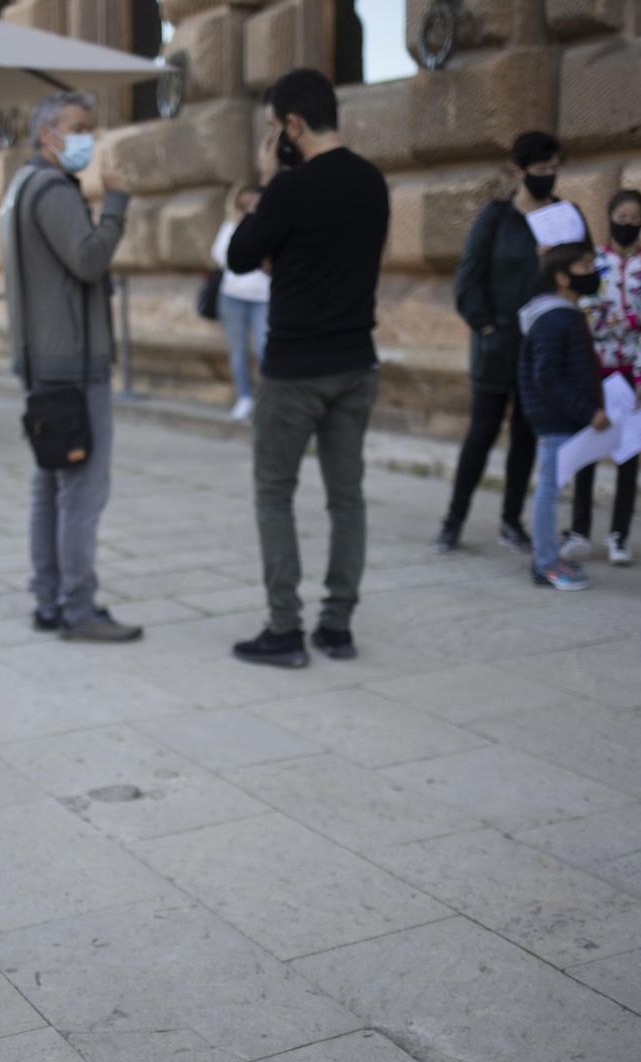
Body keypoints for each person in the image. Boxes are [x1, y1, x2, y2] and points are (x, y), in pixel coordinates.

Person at [224, 68, 389, 668]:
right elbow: (336, 259)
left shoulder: (290, 187)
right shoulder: (373, 181)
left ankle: (285, 630)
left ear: (293, 124)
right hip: (356, 362)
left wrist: (271, 182)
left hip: (295, 368)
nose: (275, 141)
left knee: (274, 493)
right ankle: (338, 627)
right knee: (347, 496)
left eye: (275, 130)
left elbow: (241, 255)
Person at [0, 91, 142, 643]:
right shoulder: (54, 188)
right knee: (81, 490)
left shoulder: (19, 189)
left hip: (43, 361)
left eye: (91, 126)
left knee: (50, 483)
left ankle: (50, 599)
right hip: (73, 365)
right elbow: (87, 259)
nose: (88, 138)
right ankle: (77, 609)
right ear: (46, 134)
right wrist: (117, 205)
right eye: (77, 128)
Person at [438, 131, 584, 554]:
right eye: (541, 170)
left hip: (543, 346)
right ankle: (454, 519)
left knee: (526, 434)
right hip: (498, 343)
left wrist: (555, 259)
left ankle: (510, 520)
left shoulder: (565, 215)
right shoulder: (496, 216)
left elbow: (585, 273)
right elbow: (468, 276)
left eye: (555, 169)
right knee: (482, 432)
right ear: (520, 172)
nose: (549, 177)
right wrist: (485, 326)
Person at [563, 190, 641, 567]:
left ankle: (619, 535)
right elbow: (591, 317)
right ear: (608, 217)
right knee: (587, 454)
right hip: (595, 372)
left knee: (628, 457)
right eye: (620, 216)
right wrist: (634, 321)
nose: (627, 224)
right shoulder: (594, 263)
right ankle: (578, 531)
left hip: (632, 374)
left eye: (634, 218)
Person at [518, 243, 610, 591]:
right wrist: (586, 411)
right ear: (561, 276)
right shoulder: (553, 318)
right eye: (583, 266)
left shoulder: (566, 314)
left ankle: (548, 556)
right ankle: (544, 564)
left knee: (550, 485)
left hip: (562, 416)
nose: (591, 272)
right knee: (548, 487)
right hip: (555, 418)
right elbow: (546, 377)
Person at [209, 185, 270, 421]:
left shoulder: (269, 224)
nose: (248, 208)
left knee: (265, 348)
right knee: (238, 351)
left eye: (253, 203)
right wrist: (238, 224)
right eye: (244, 204)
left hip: (263, 297)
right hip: (233, 296)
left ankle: (266, 398)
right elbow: (220, 256)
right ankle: (244, 397)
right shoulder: (232, 225)